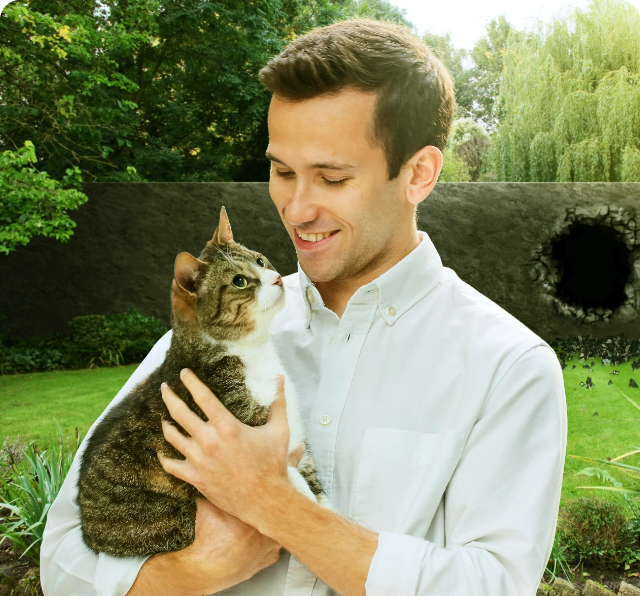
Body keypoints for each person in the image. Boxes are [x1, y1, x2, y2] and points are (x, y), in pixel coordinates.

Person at [40, 18, 567, 596]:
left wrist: (271, 502)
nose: (296, 209)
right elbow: (61, 561)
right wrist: (190, 573)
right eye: (281, 171)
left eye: (333, 178)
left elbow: (490, 586)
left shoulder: (508, 367)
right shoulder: (212, 338)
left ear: (418, 173)